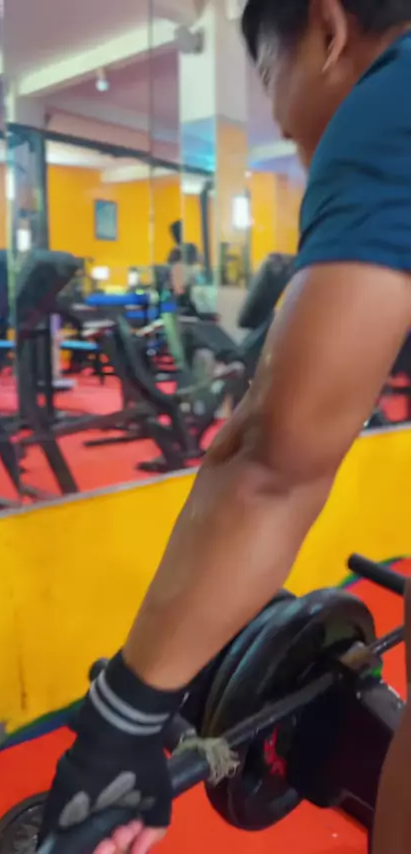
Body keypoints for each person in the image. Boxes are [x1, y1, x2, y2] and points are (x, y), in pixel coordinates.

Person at [38, 2, 411, 853]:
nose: (284, 127)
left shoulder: (391, 102)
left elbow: (274, 461)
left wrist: (118, 726)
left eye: (273, 81)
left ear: (328, 29)